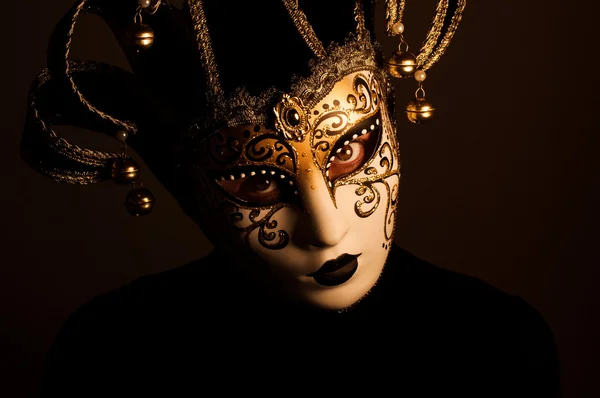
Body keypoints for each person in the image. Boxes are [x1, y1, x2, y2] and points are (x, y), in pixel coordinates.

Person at [22, 0, 560, 396]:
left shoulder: (499, 347)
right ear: (186, 188)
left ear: (389, 121)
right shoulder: (111, 359)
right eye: (257, 180)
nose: (327, 229)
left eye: (348, 150)